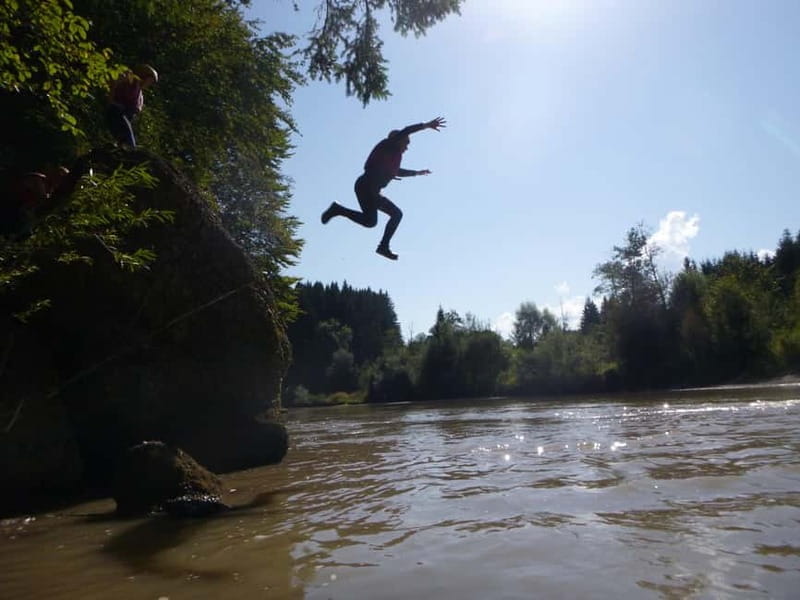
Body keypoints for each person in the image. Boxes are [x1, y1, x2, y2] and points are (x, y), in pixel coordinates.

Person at [321, 116, 446, 260]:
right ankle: (383, 246)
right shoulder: (389, 145)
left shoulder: (392, 155)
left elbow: (397, 171)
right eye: (406, 143)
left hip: (369, 189)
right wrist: (426, 125)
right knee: (396, 214)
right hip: (366, 186)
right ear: (398, 140)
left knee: (371, 221)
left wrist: (417, 173)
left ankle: (338, 209)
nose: (407, 148)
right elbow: (406, 130)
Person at [106, 64, 158, 148]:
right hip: (116, 110)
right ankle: (130, 147)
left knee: (123, 135)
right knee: (127, 135)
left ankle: (123, 146)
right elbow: (113, 84)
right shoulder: (129, 78)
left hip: (126, 114)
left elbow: (137, 106)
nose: (149, 84)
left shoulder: (138, 90)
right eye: (150, 81)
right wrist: (111, 100)